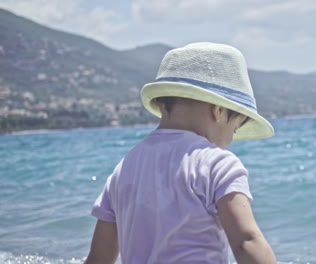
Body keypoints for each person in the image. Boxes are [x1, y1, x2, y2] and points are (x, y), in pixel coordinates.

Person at [84, 42, 277, 264]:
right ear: (219, 111)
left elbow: (98, 258)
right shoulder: (217, 164)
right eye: (235, 128)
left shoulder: (124, 168)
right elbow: (246, 242)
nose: (232, 139)